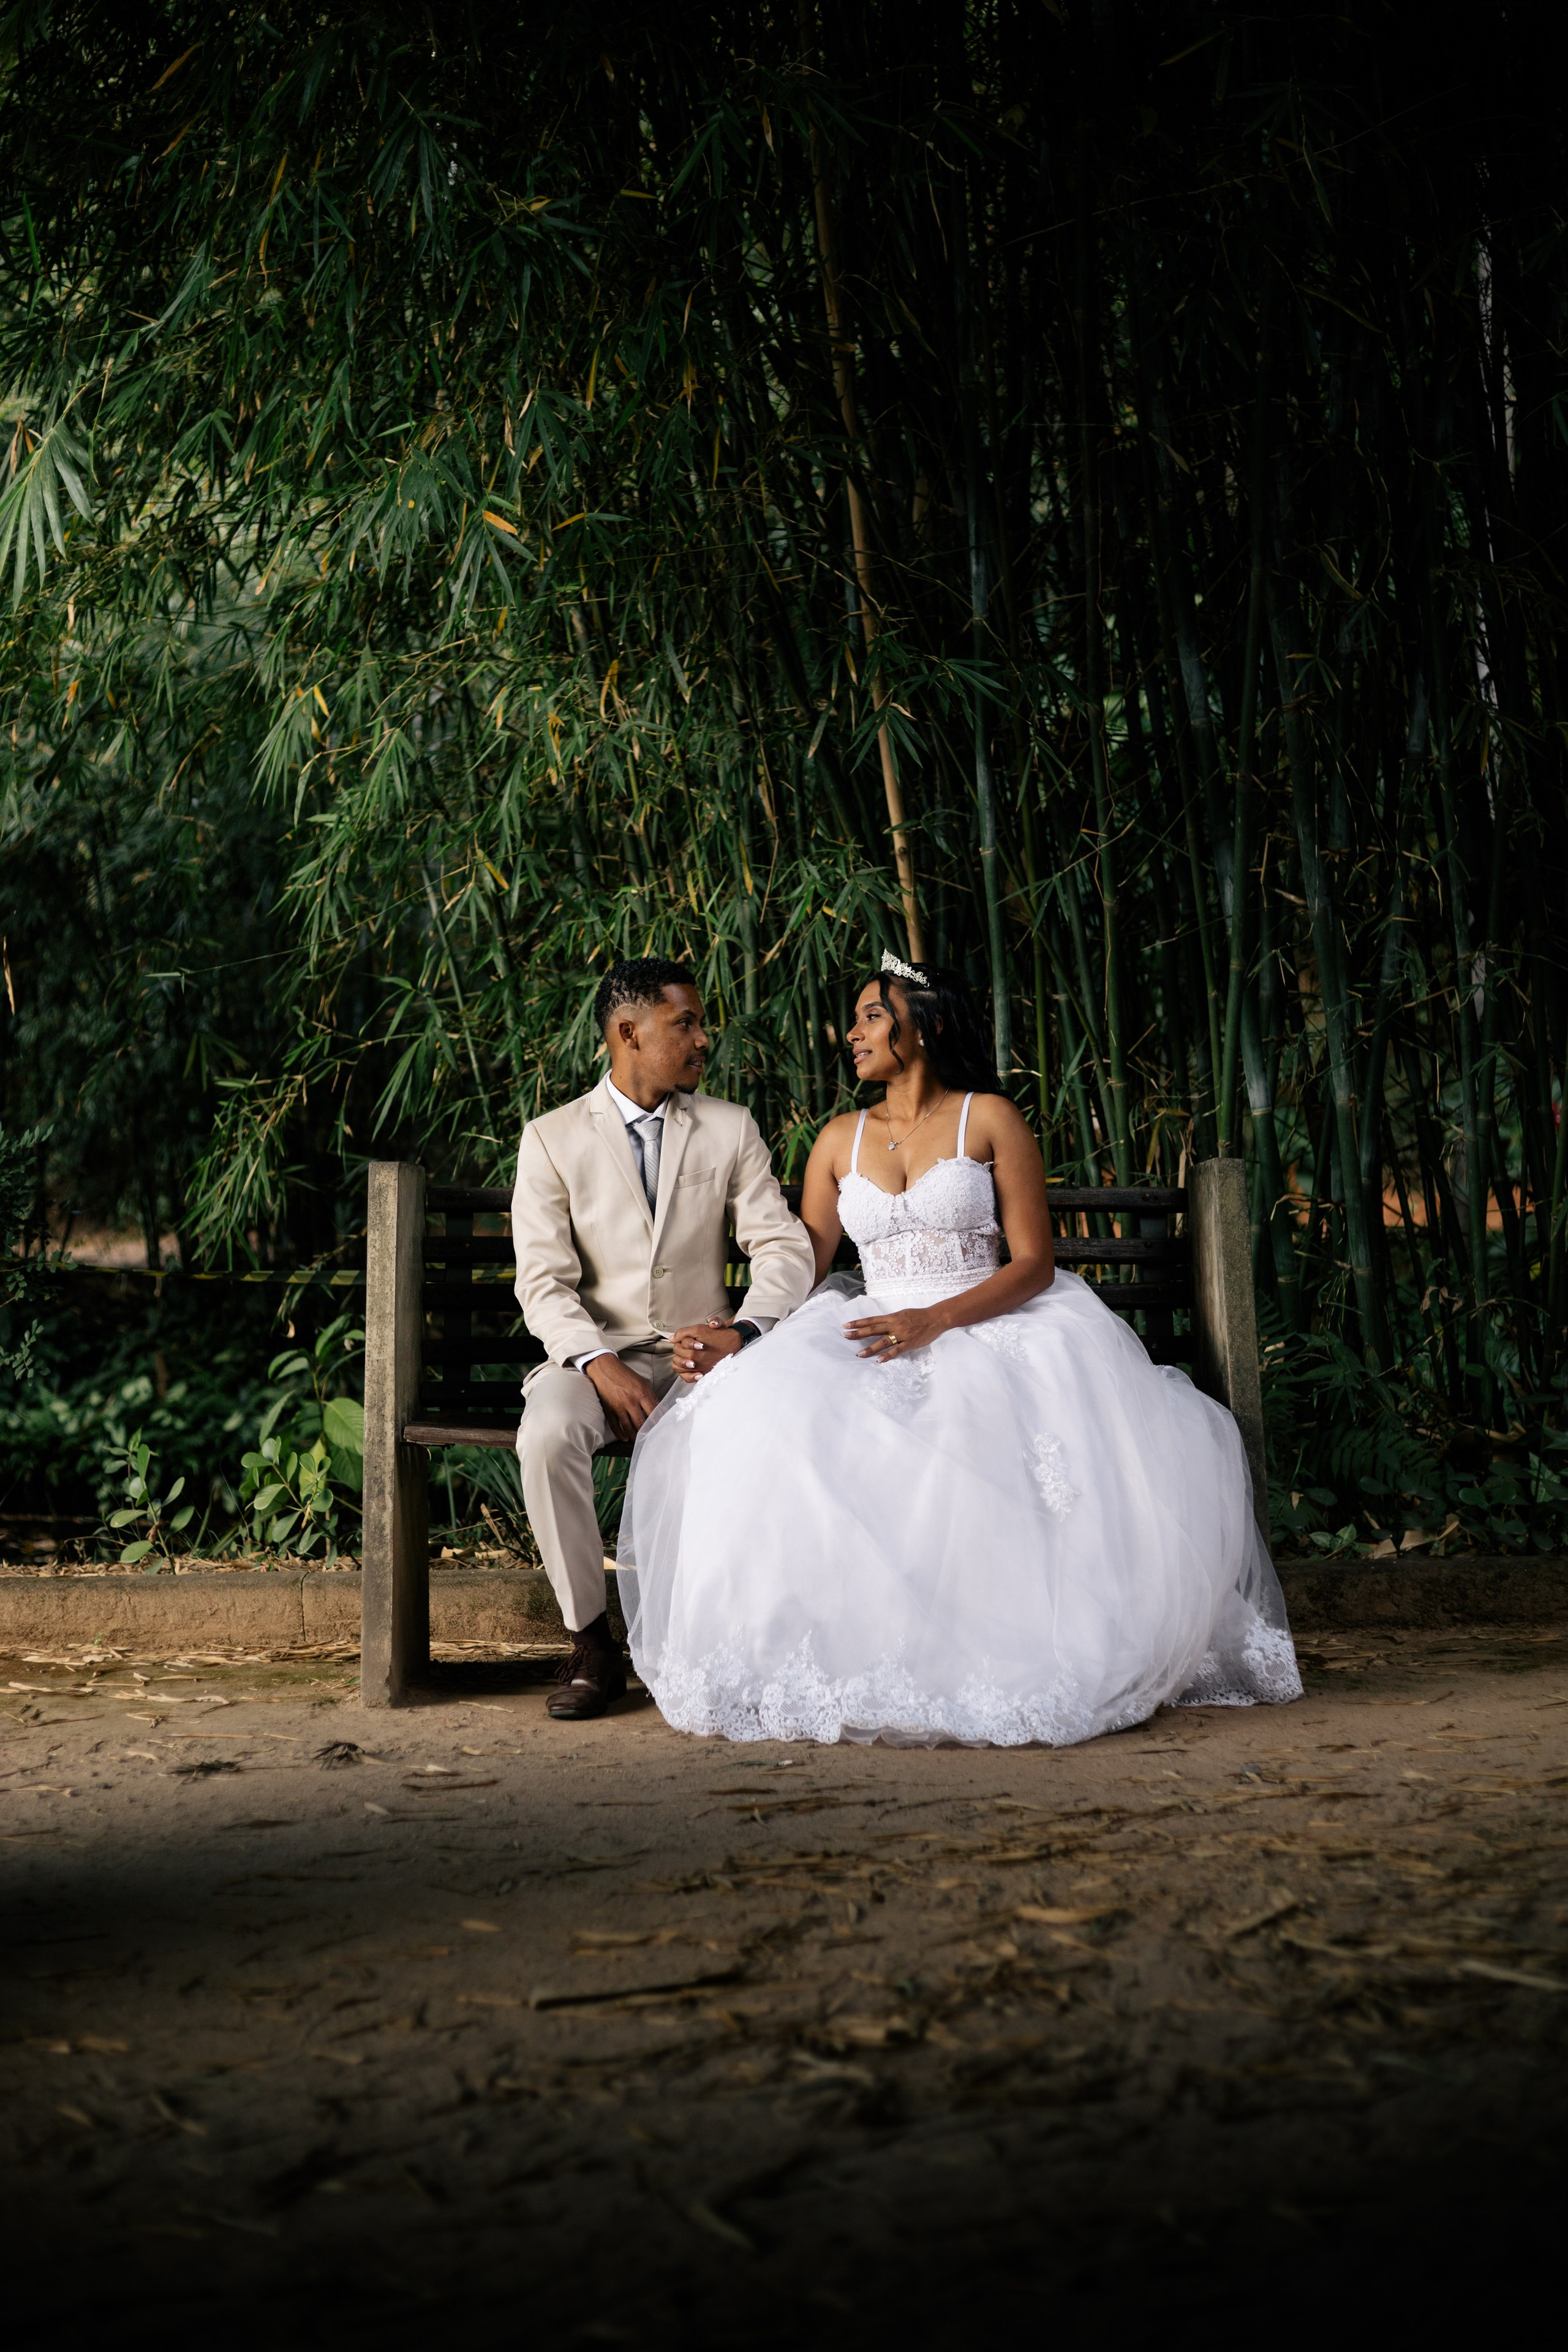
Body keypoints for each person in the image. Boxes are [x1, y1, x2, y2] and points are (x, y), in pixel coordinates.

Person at [617, 950, 1302, 1747]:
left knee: (974, 1427)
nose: (852, 1033)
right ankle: (838, 1649)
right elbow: (801, 1267)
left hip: (990, 1323)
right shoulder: (839, 1139)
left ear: (927, 1025)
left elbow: (1034, 1263)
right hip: (874, 1324)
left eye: (873, 1015)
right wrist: (741, 1335)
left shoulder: (991, 1119)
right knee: (766, 1408)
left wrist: (936, 1321)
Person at [510, 956, 816, 1720]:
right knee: (546, 1434)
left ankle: (730, 1638)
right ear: (627, 1032)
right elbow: (542, 1284)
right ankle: (590, 1642)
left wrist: (743, 1331)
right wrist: (599, 1363)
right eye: (686, 1024)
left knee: (768, 1425)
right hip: (589, 1355)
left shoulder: (728, 1126)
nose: (704, 1039)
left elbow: (782, 1248)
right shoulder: (550, 1139)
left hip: (700, 1358)